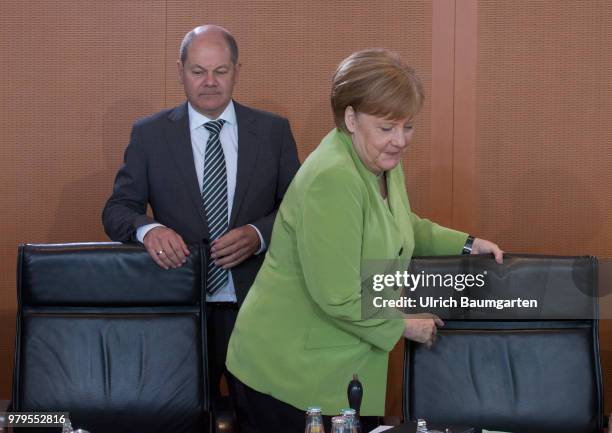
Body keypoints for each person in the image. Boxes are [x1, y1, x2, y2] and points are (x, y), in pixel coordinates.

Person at [225, 49, 503, 432]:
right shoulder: (333, 179)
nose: (401, 140)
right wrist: (407, 324)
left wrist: (468, 244)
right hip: (289, 372)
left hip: (336, 366)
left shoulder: (378, 160)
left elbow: (398, 223)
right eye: (387, 127)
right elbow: (336, 296)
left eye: (408, 126)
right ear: (351, 118)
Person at [101, 24, 300, 414]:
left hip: (258, 310)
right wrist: (149, 229)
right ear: (180, 71)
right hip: (180, 313)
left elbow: (299, 212)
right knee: (181, 421)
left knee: (264, 420)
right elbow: (117, 210)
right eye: (198, 71)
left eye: (220, 71)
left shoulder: (273, 132)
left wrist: (259, 234)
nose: (209, 82)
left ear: (236, 72)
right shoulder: (150, 135)